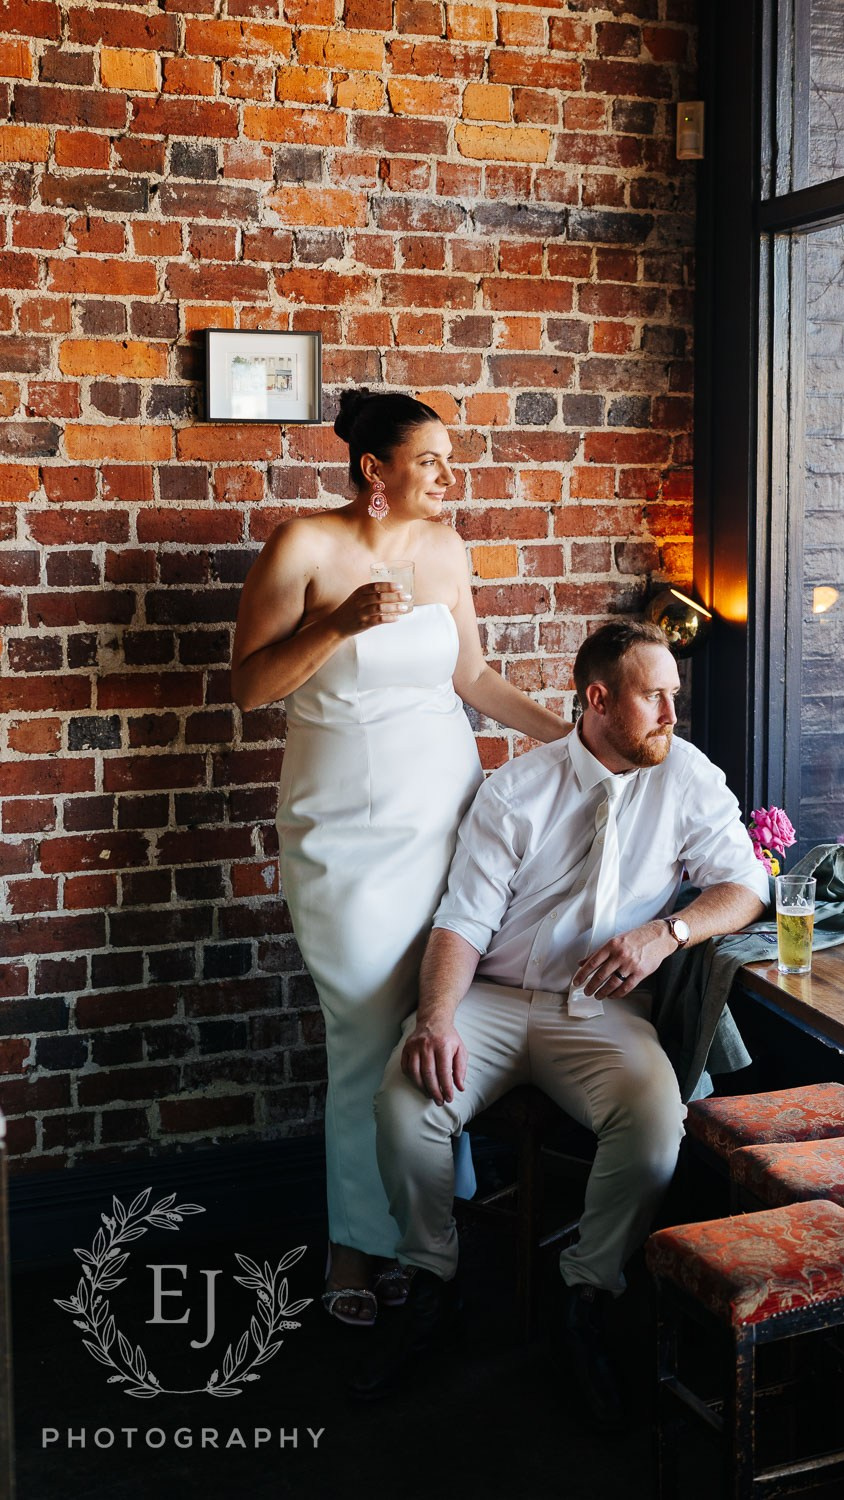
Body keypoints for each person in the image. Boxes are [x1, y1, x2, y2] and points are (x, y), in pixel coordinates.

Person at [357, 621, 769, 1420]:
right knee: (405, 1105)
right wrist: (435, 1019)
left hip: (605, 1014)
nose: (671, 714)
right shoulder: (517, 789)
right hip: (499, 999)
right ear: (598, 699)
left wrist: (668, 931)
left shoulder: (685, 774)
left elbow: (745, 886)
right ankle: (435, 1285)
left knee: (656, 1126)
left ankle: (586, 1297)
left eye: (673, 697)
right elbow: (462, 922)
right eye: (655, 696)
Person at [230, 388, 569, 1327]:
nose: (449, 478)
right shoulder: (301, 545)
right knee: (364, 1034)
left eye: (450, 461)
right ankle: (355, 1248)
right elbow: (250, 687)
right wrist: (337, 625)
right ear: (375, 470)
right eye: (431, 462)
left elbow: (474, 679)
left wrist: (573, 742)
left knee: (437, 1009)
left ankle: (429, 1221)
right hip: (340, 830)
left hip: (444, 817)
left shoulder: (447, 549)